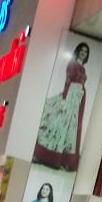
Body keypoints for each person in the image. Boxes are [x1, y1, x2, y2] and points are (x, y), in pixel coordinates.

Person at [34, 42, 90, 171]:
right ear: (77, 51)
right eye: (81, 50)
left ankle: (65, 160)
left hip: (77, 99)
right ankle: (50, 157)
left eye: (86, 51)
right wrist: (65, 98)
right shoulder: (72, 64)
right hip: (71, 97)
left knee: (70, 128)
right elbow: (68, 81)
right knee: (61, 126)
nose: (83, 53)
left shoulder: (82, 67)